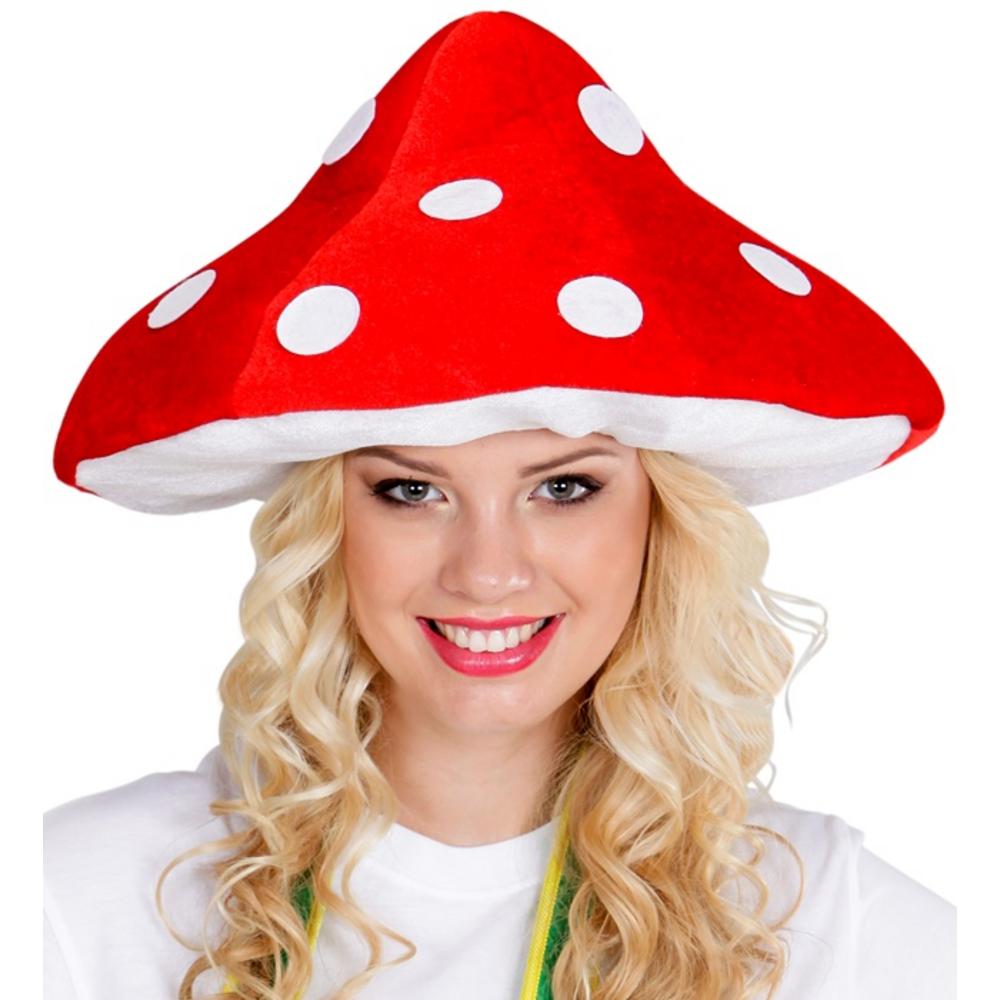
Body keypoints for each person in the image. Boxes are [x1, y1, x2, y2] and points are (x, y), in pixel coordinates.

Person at [42, 9, 956, 1000]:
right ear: (326, 524)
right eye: (411, 490)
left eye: (563, 488)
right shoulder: (82, 898)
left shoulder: (828, 925)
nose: (487, 572)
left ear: (661, 519)